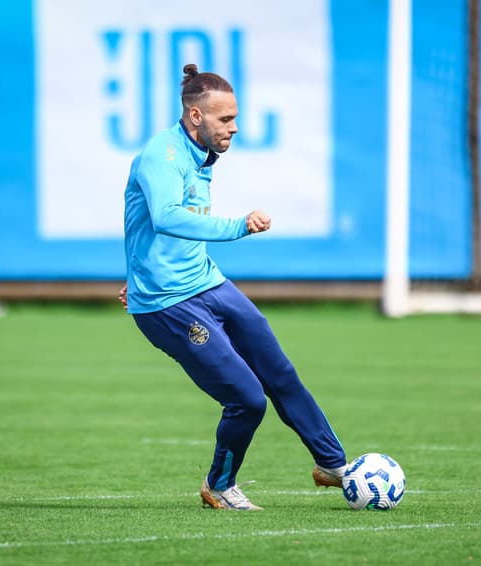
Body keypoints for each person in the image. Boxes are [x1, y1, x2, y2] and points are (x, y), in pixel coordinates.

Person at [118, 63, 347, 511]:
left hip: (206, 281)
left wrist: (134, 270)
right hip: (166, 304)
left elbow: (140, 227)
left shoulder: (200, 154)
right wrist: (238, 226)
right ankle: (219, 485)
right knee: (246, 398)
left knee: (277, 370)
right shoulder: (161, 155)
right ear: (196, 117)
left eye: (235, 118)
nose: (235, 127)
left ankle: (333, 464)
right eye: (225, 119)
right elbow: (163, 217)